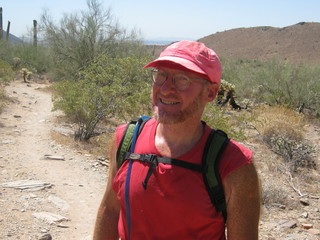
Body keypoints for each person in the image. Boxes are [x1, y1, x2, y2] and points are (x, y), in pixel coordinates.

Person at [93, 40, 260, 240]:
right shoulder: (126, 140)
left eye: (182, 79)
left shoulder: (235, 165)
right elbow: (110, 210)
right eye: (162, 75)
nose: (165, 88)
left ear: (211, 92)